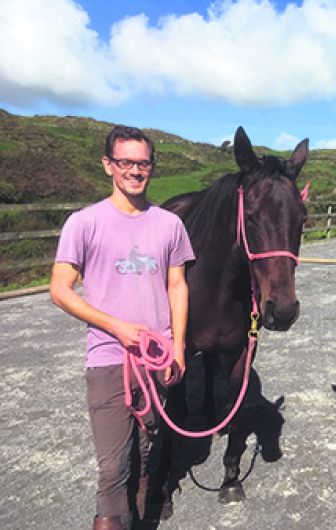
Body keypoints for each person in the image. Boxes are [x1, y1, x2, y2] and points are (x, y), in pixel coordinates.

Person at [50, 125, 195, 530]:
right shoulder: (85, 223)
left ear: (152, 167)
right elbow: (60, 290)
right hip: (110, 357)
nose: (135, 170)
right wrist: (116, 326)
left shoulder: (169, 225)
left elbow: (177, 284)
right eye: (126, 162)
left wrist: (178, 347)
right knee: (113, 465)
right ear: (108, 165)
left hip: (157, 357)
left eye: (143, 162)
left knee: (147, 451)